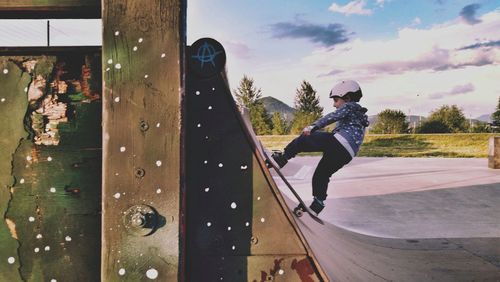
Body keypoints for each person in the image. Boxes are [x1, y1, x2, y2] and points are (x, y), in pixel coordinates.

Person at [272, 80, 369, 215]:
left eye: (336, 100)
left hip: (339, 143)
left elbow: (332, 116)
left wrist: (314, 126)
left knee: (305, 139)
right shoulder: (359, 115)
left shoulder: (350, 106)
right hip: (347, 154)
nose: (334, 104)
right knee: (322, 174)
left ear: (347, 98)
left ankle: (282, 158)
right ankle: (317, 204)